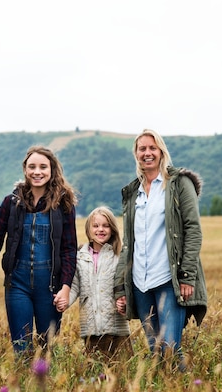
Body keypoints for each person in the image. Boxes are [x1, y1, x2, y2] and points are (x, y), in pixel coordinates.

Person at [114, 128, 207, 369]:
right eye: (142, 149)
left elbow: (193, 230)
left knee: (170, 348)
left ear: (161, 151)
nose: (147, 153)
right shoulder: (132, 191)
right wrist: (120, 287)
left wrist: (187, 276)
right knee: (154, 349)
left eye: (152, 148)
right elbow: (128, 243)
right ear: (136, 154)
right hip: (140, 282)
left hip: (168, 278)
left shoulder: (178, 184)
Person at [0, 146, 77, 355]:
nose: (37, 172)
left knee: (48, 347)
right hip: (17, 284)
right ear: (25, 170)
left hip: (50, 285)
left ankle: (46, 387)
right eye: (32, 167)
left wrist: (65, 286)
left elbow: (69, 249)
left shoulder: (63, 204)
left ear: (52, 170)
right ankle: (22, 386)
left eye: (43, 167)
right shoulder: (12, 202)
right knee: (21, 347)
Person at [67, 206, 132, 360]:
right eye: (95, 226)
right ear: (88, 229)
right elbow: (75, 286)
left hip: (117, 329)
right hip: (91, 330)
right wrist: (64, 301)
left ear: (112, 229)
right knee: (96, 377)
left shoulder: (119, 256)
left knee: (122, 375)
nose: (100, 230)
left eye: (106, 225)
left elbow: (128, 286)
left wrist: (126, 302)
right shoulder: (79, 257)